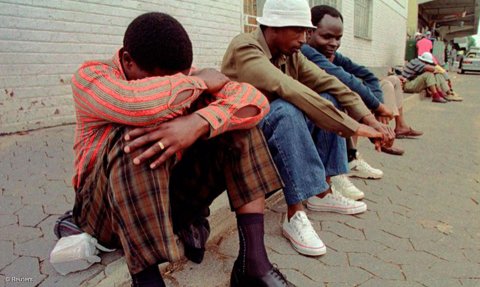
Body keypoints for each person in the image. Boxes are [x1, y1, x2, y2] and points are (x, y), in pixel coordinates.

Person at [70, 12, 292, 287]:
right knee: (138, 133)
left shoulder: (181, 70)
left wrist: (198, 122)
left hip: (160, 198)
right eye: (162, 82)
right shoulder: (91, 77)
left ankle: (254, 264)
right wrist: (197, 83)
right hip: (102, 211)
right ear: (127, 61)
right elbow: (138, 104)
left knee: (236, 123)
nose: (174, 87)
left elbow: (255, 101)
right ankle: (148, 281)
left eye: (180, 79)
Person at [221, 0, 394, 257]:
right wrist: (351, 126)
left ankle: (322, 192)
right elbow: (289, 89)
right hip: (241, 140)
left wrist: (370, 120)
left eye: (307, 31)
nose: (305, 38)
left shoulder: (290, 54)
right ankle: (295, 213)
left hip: (273, 135)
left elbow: (331, 82)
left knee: (327, 98)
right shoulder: (245, 48)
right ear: (274, 27)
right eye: (299, 30)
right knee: (287, 109)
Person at [303, 5, 422, 158]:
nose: (334, 43)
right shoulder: (306, 52)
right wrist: (377, 107)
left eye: (338, 38)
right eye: (326, 37)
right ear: (309, 32)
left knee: (362, 94)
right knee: (338, 98)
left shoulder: (332, 55)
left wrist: (378, 109)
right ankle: (347, 161)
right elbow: (345, 80)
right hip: (308, 119)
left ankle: (355, 154)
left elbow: (369, 76)